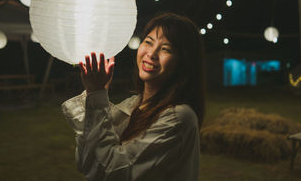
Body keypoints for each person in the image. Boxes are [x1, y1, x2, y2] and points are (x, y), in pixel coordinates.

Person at [61, 12, 205, 181]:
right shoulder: (134, 104)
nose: (151, 53)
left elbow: (109, 172)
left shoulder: (179, 118)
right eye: (148, 42)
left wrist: (97, 95)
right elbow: (87, 162)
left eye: (165, 49)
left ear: (183, 62)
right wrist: (98, 94)